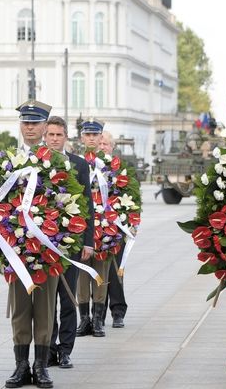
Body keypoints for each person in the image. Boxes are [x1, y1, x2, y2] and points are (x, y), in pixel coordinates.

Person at [5, 100, 91, 389]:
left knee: (44, 308)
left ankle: (41, 366)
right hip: (18, 249)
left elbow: (74, 205)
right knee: (20, 309)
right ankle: (20, 366)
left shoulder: (57, 164)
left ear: (44, 128)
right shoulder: (9, 161)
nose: (30, 127)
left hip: (49, 249)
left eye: (35, 123)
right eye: (25, 123)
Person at [44, 116, 95, 370]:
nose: (54, 139)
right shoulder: (38, 164)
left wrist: (88, 241)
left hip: (71, 242)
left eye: (59, 135)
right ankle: (48, 349)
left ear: (66, 137)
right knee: (46, 301)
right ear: (45, 136)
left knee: (67, 297)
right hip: (43, 243)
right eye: (51, 135)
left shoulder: (79, 165)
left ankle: (65, 350)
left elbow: (88, 205)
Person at [74, 118, 113, 339]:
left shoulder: (111, 165)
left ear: (101, 137)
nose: (90, 138)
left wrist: (114, 224)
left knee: (101, 273)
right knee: (81, 273)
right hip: (84, 225)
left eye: (94, 135)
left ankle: (98, 319)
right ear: (82, 138)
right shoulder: (76, 163)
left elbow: (119, 195)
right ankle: (84, 319)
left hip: (105, 226)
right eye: (87, 135)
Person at [98, 132, 128, 329]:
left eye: (106, 144)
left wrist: (130, 223)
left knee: (116, 272)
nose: (102, 146)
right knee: (97, 272)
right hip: (95, 229)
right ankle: (97, 314)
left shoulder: (120, 169)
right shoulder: (89, 166)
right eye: (99, 143)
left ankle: (118, 312)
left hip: (116, 228)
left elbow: (131, 197)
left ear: (112, 147)